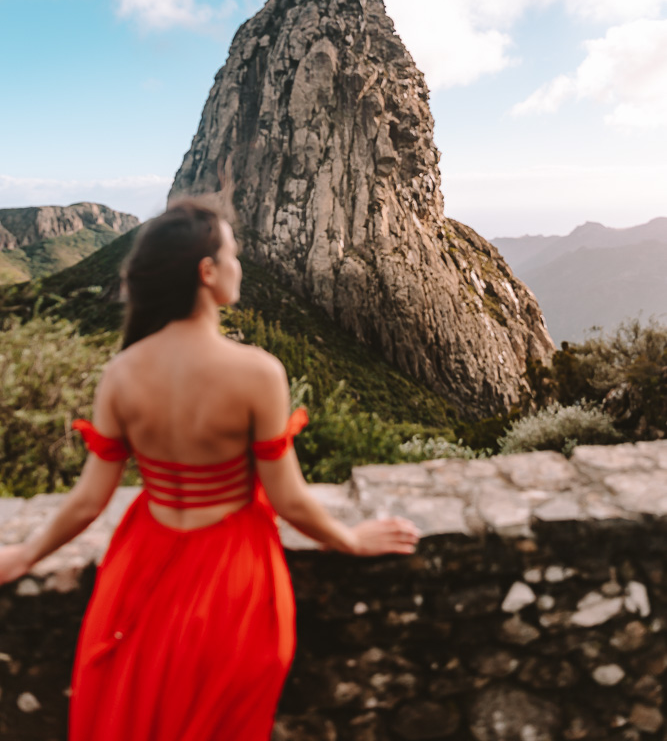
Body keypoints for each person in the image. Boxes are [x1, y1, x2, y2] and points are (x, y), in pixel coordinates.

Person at [0, 198, 420, 740]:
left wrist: (24, 553)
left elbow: (88, 500)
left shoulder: (121, 374)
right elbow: (290, 501)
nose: (240, 265)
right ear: (206, 272)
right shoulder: (258, 373)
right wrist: (352, 540)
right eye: (233, 254)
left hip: (141, 570)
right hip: (232, 578)